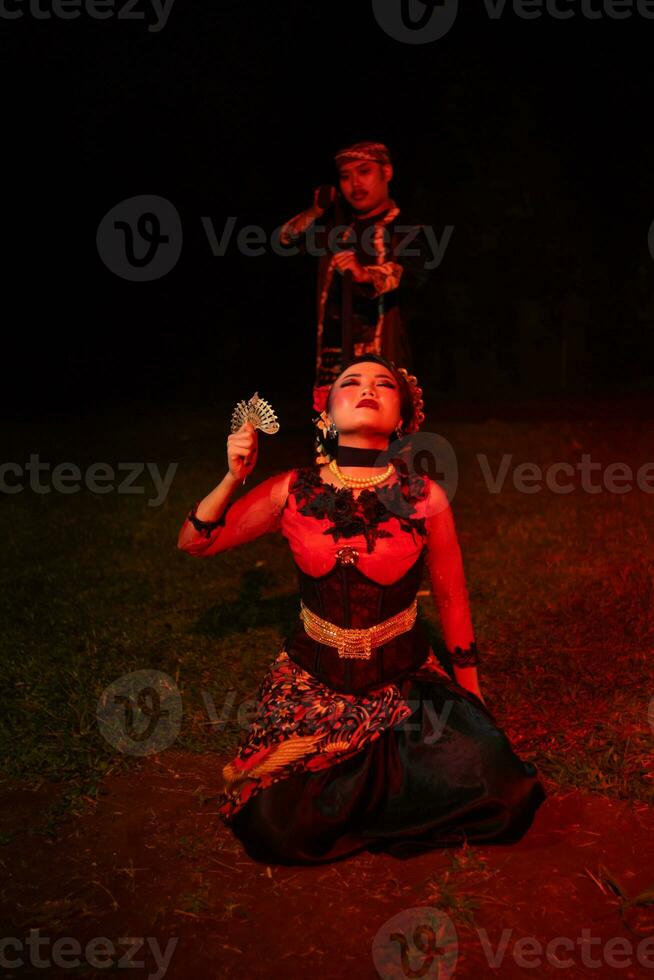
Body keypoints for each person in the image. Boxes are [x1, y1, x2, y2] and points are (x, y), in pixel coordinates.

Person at [177, 355, 547, 865]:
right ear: (327, 415)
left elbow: (452, 598)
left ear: (401, 420)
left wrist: (472, 695)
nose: (367, 388)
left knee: (504, 791)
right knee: (275, 828)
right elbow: (195, 543)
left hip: (402, 681)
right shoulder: (293, 490)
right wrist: (232, 476)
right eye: (351, 382)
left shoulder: (424, 498)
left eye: (383, 384)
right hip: (314, 682)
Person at [279, 141, 430, 414]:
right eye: (346, 176)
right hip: (335, 358)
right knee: (332, 442)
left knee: (384, 441)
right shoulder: (336, 228)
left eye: (364, 172)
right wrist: (316, 211)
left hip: (387, 356)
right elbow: (286, 240)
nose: (355, 184)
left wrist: (365, 274)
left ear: (387, 173)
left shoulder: (407, 228)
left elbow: (413, 275)